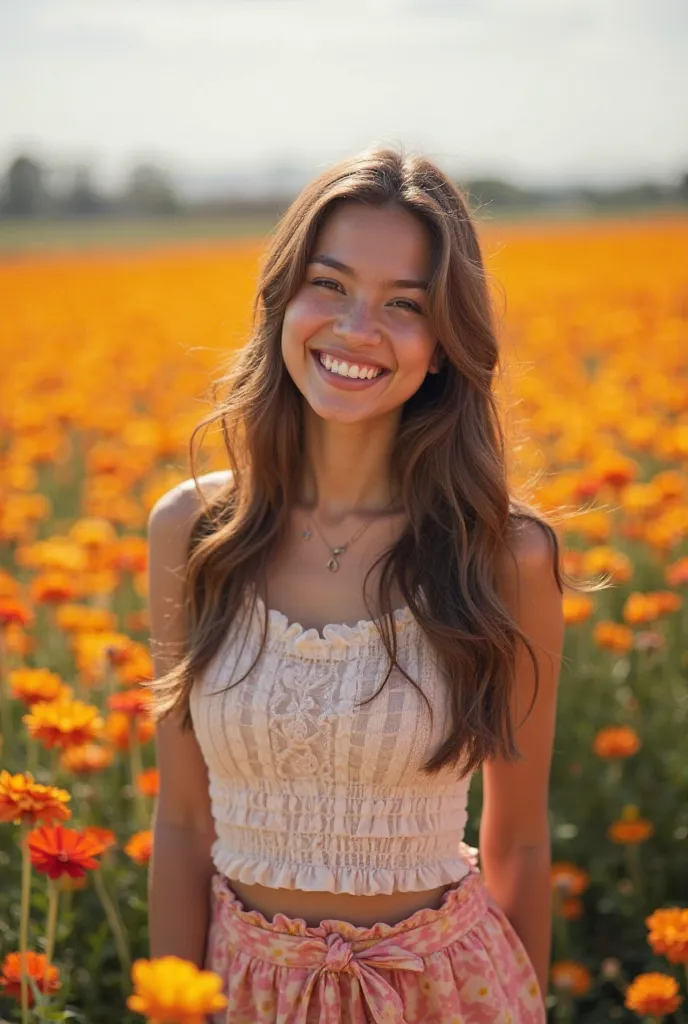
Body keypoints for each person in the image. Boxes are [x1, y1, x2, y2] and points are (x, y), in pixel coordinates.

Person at [145, 145, 564, 1023]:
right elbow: (183, 824)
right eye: (330, 285)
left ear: (445, 345)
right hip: (245, 993)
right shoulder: (193, 533)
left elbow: (518, 837)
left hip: (451, 992)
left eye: (404, 305)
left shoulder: (505, 556)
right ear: (283, 299)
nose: (356, 328)